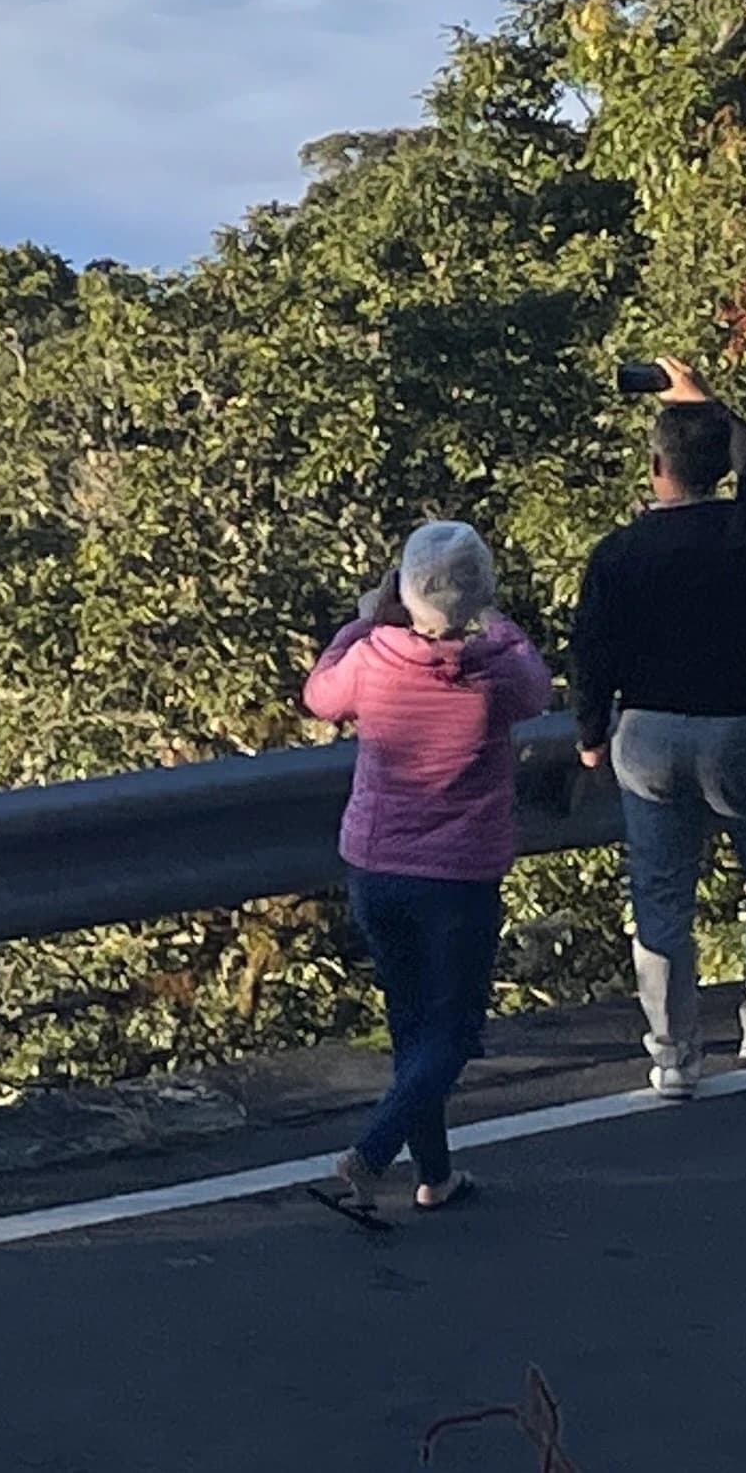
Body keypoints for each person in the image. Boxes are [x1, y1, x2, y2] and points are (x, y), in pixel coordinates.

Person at [569, 357, 746, 1098]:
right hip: (737, 726)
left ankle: (674, 1058)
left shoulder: (618, 553)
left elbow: (592, 650)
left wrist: (588, 735)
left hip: (645, 733)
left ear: (655, 468)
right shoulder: (745, 530)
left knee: (661, 897)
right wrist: (707, 399)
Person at [305, 518, 550, 1214]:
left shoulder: (375, 656)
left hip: (377, 867)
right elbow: (537, 689)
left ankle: (434, 1174)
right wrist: (495, 621)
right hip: (461, 876)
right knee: (454, 1033)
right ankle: (375, 1151)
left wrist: (361, 623)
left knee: (414, 1028)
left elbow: (320, 695)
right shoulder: (497, 668)